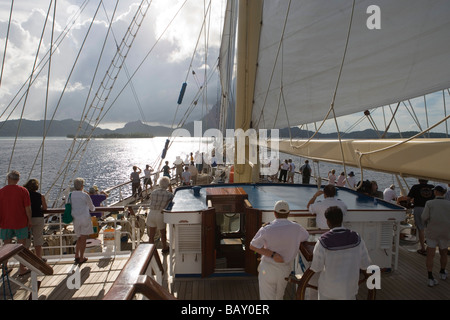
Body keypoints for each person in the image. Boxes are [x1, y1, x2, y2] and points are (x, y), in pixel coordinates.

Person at [250, 200, 309, 300]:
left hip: (268, 268)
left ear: (274, 213)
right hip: (285, 269)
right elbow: (305, 237)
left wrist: (272, 254)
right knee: (279, 297)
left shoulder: (266, 229)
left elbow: (253, 246)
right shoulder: (297, 228)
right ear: (288, 213)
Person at [309, 206, 371, 300]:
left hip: (328, 292)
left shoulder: (322, 241)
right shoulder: (357, 238)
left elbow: (316, 267)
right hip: (349, 291)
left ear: (327, 222)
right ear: (342, 219)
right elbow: (365, 265)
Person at [0, 170, 33, 276]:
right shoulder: (23, 191)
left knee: (6, 246)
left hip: (5, 222)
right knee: (21, 246)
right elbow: (28, 208)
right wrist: (29, 220)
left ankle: (5, 268)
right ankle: (22, 268)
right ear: (18, 180)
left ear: (8, 179)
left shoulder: (1, 191)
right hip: (21, 222)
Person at [421, 185, 450, 286]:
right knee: (444, 253)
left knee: (430, 255)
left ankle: (430, 277)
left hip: (432, 232)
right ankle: (442, 272)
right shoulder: (449, 204)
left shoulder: (429, 203)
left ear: (436, 192)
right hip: (445, 232)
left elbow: (424, 217)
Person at [69, 178, 95, 265]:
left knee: (79, 238)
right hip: (84, 218)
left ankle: (76, 255)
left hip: (75, 218)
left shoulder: (70, 195)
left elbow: (68, 205)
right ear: (82, 186)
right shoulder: (85, 195)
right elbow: (92, 208)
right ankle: (81, 257)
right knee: (83, 238)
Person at [146, 176, 174, 254]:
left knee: (151, 234)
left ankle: (151, 250)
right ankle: (164, 247)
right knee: (163, 233)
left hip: (151, 213)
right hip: (160, 214)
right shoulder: (169, 194)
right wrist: (170, 187)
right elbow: (172, 198)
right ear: (168, 185)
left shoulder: (154, 192)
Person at [407, 179, 435, 256]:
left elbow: (408, 199)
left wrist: (408, 204)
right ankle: (429, 247)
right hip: (430, 209)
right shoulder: (432, 187)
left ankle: (423, 248)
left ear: (419, 180)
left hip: (419, 208)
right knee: (429, 229)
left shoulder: (415, 187)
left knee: (421, 229)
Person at [23, 178, 48, 261]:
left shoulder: (25, 196)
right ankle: (39, 257)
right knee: (38, 238)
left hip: (27, 218)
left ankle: (27, 259)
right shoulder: (40, 196)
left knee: (27, 241)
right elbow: (45, 208)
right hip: (38, 218)